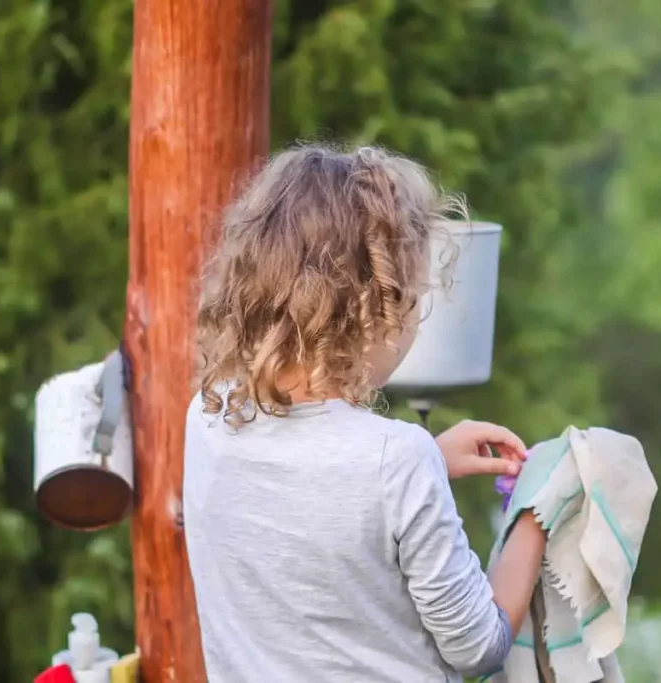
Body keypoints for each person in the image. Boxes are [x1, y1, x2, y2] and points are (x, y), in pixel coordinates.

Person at [183, 144, 546, 682]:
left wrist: (431, 463)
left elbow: (300, 500)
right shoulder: (395, 461)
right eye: (416, 300)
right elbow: (479, 645)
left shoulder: (209, 416)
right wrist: (541, 510)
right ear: (373, 308)